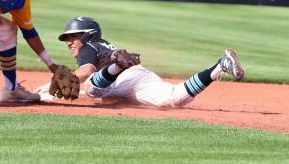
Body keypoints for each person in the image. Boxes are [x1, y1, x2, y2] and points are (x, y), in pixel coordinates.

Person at [37, 16, 245, 107]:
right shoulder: (104, 45)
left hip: (120, 77)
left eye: (73, 36)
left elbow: (85, 72)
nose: (69, 42)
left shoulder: (88, 47)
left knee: (92, 87)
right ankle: (219, 66)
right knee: (173, 99)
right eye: (67, 38)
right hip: (138, 75)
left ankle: (117, 66)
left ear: (87, 35)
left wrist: (51, 85)